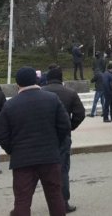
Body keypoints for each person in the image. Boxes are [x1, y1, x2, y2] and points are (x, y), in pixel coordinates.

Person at [0, 67, 71, 216]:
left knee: (22, 200)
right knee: (55, 196)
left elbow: (1, 135)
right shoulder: (52, 99)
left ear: (17, 83)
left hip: (22, 159)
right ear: (36, 80)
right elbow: (65, 126)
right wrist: (55, 144)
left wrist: (13, 150)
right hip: (49, 156)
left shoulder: (10, 105)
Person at [42, 66, 86, 213]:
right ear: (61, 78)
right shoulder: (70, 93)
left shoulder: (41, 92)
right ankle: (63, 202)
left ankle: (49, 201)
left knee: (43, 171)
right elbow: (80, 114)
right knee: (62, 170)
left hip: (44, 137)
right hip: (63, 136)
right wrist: (69, 127)